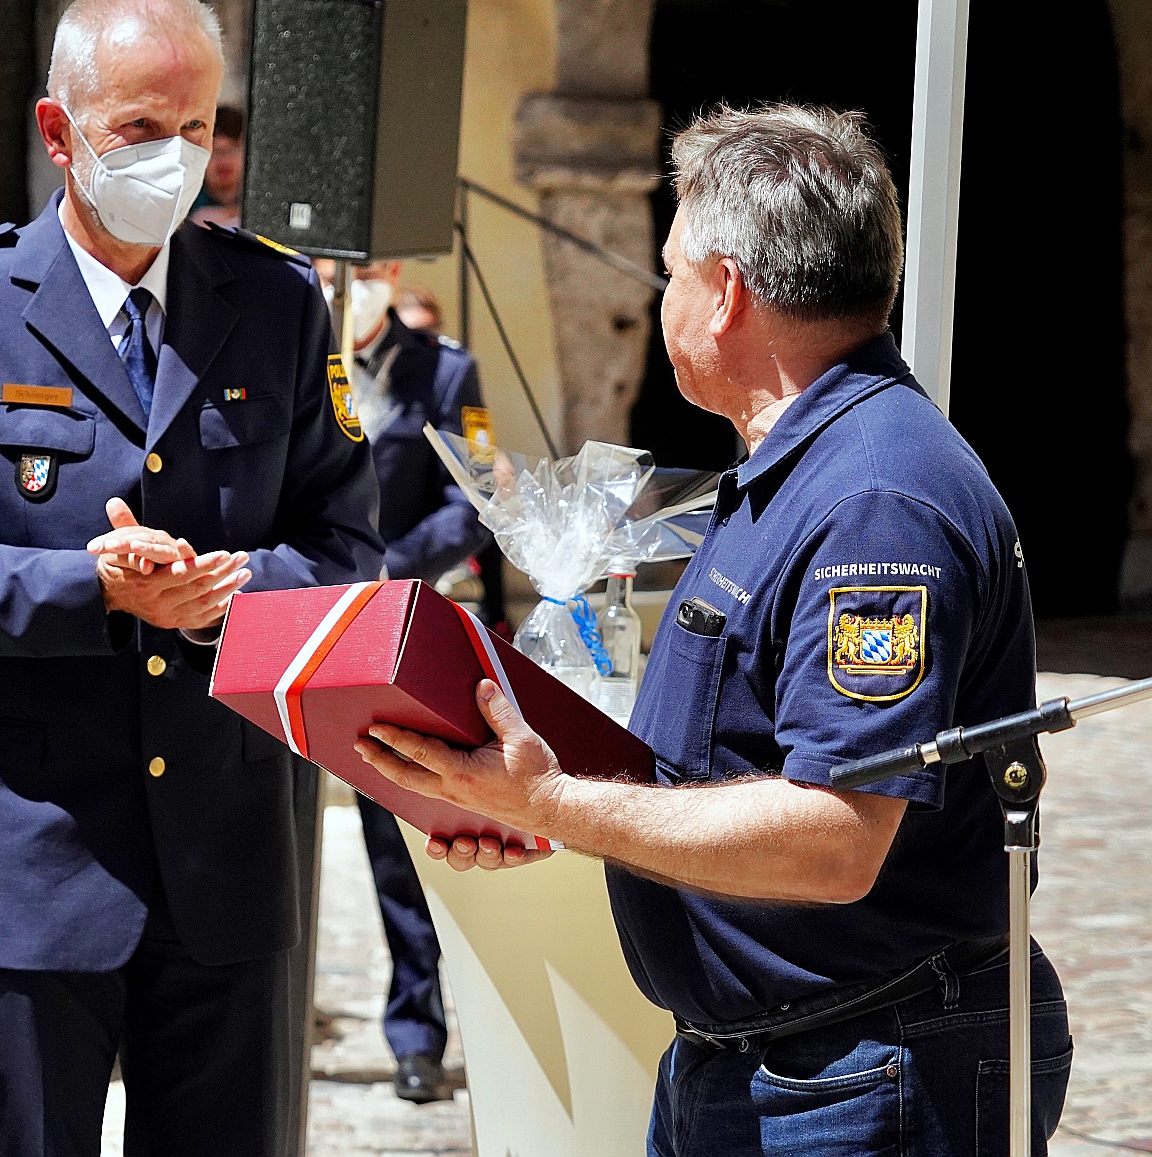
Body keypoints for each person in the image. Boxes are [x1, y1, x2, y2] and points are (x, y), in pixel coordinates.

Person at [356, 104, 1072, 1154]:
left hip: (861, 1072)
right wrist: (542, 802)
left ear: (728, 292)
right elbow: (722, 761)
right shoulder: (801, 466)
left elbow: (835, 837)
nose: (663, 300)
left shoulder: (877, 498)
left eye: (671, 272)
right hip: (763, 1062)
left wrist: (555, 796)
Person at [0, 0, 382, 1157]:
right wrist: (94, 590)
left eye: (199, 129)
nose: (178, 158)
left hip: (228, 856)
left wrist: (220, 596)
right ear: (59, 131)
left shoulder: (277, 301)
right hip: (37, 854)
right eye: (140, 129)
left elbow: (348, 546)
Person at [343, 258, 493, 1103]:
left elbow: (468, 498)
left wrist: (380, 577)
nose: (350, 279)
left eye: (366, 266)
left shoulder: (445, 367)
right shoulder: (292, 348)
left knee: (395, 836)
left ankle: (417, 1031)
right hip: (279, 621)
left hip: (391, 628)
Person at [189, 103, 244, 228]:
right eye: (215, 151)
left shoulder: (264, 200)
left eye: (232, 149)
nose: (223, 159)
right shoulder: (184, 202)